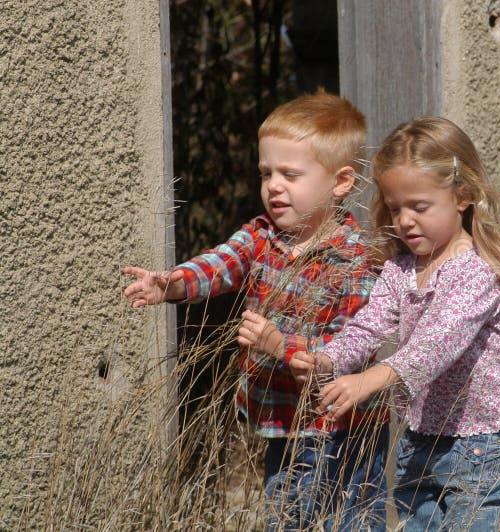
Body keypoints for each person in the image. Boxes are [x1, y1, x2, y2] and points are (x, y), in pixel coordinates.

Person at [123, 91, 389, 531]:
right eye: (266, 173)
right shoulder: (263, 235)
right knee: (287, 517)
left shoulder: (354, 258)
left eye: (290, 174)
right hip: (283, 422)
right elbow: (220, 264)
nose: (273, 186)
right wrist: (171, 284)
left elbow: (352, 347)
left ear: (340, 182)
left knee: (350, 522)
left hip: (345, 429)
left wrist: (280, 346)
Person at [290, 116, 500, 531]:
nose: (404, 220)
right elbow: (367, 327)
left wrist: (367, 381)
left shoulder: (476, 272)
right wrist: (328, 361)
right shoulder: (401, 270)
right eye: (394, 207)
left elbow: (434, 346)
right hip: (419, 442)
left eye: (419, 207)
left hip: (477, 449)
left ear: (462, 196)